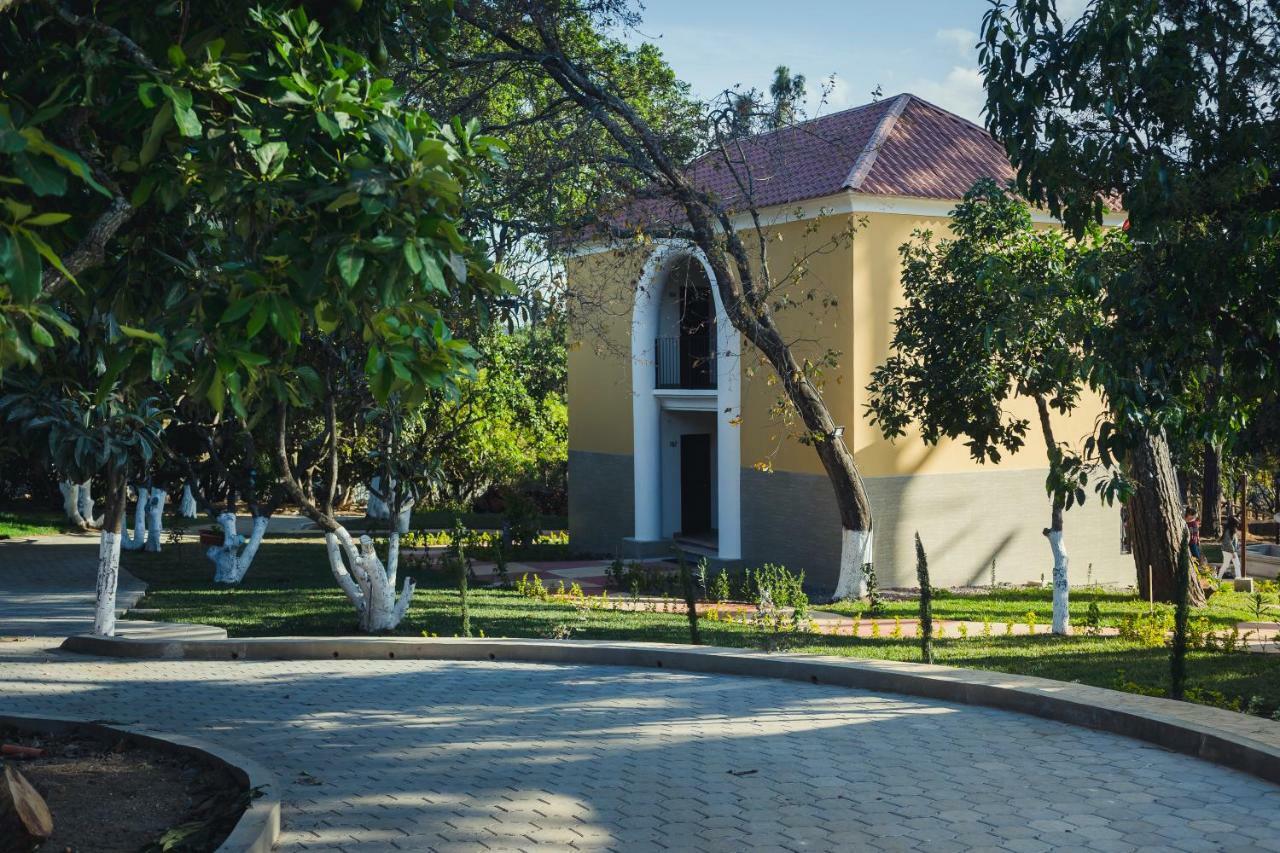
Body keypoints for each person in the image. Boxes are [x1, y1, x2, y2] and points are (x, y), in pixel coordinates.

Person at [1220, 515, 1241, 579]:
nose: (1237, 525)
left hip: (1229, 550)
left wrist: (1237, 547)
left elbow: (1234, 541)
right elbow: (1228, 542)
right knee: (1227, 565)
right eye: (1236, 524)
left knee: (1235, 565)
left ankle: (1238, 577)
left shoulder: (1231, 530)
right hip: (1228, 551)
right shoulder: (1229, 531)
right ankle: (1218, 577)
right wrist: (1232, 552)